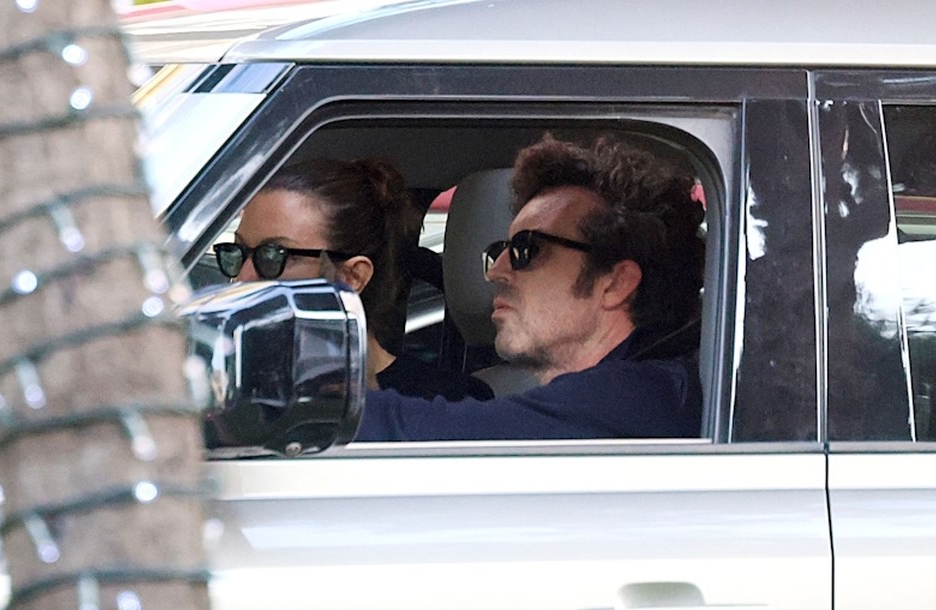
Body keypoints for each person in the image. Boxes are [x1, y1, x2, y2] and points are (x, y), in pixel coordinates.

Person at [357, 135, 705, 441]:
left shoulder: (633, 398)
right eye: (500, 250)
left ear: (615, 283)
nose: (495, 271)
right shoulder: (637, 393)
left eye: (527, 249)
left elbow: (423, 436)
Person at [217, 157, 494, 402]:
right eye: (237, 252)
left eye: (273, 255)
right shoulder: (226, 389)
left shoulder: (447, 405)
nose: (243, 278)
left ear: (351, 277)